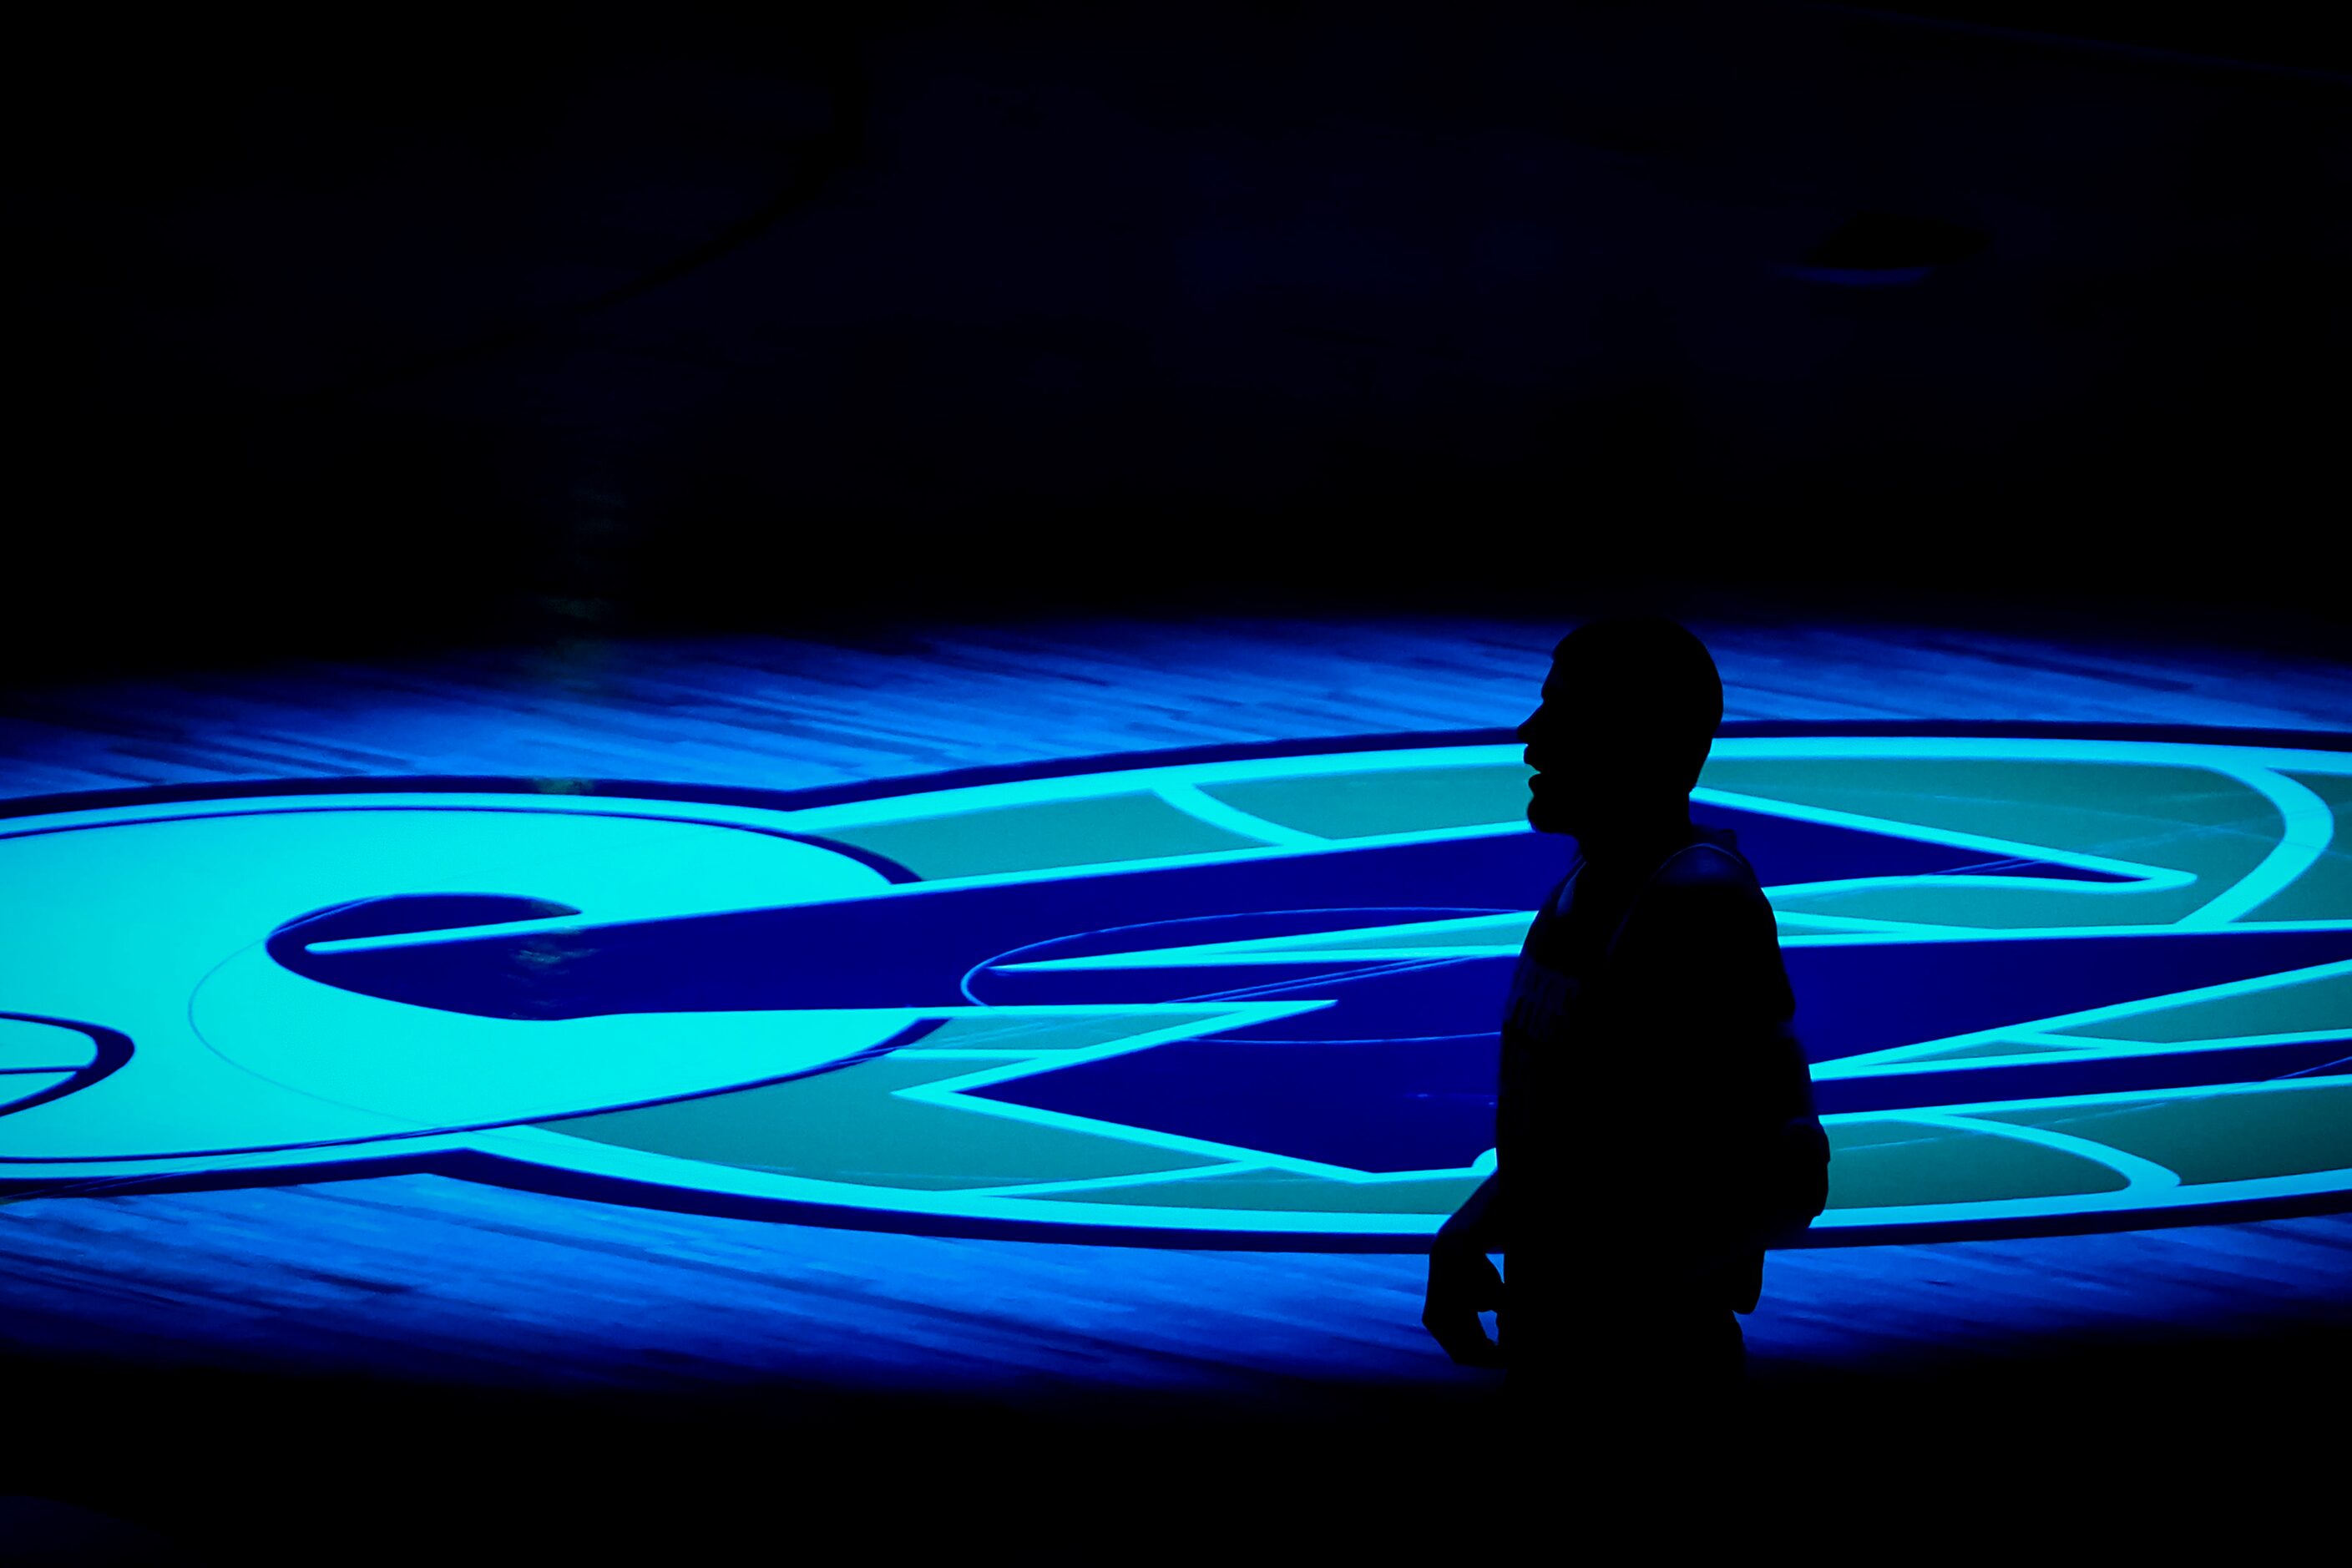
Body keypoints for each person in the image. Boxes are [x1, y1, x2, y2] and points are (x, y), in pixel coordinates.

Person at [1422, 616, 1827, 1410]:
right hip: (1557, 1351)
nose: (1529, 736)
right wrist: (1471, 1228)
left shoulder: (1693, 901)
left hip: (1642, 1377)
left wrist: (1622, 1309)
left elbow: (1791, 1172)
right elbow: (1587, 1136)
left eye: (1562, 714)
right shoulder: (1589, 878)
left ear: (1635, 741)